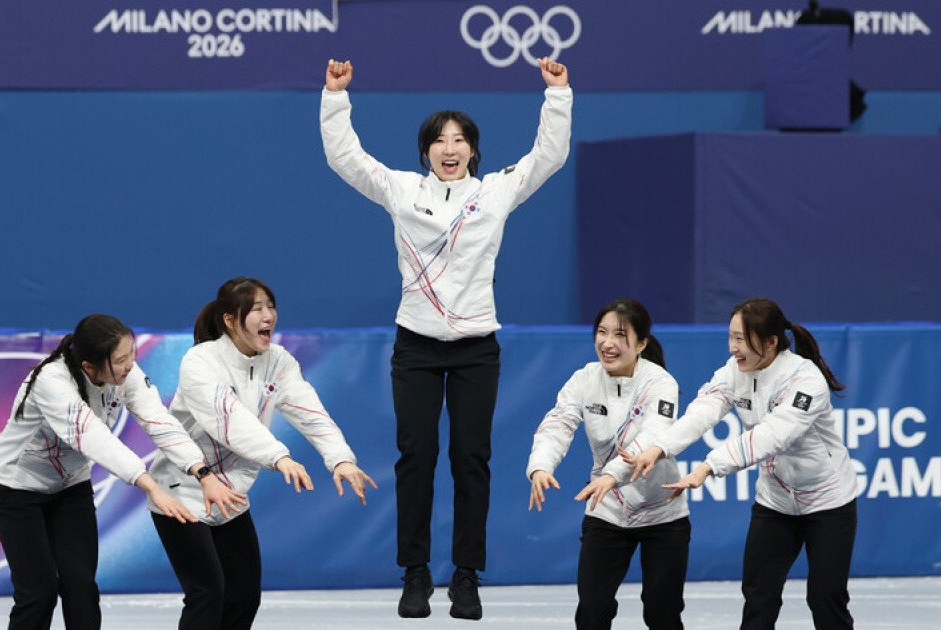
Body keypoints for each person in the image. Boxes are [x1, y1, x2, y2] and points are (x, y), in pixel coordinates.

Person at [321, 55, 572, 620]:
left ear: (474, 150)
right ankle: (415, 575)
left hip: (477, 348)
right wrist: (336, 97)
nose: (450, 147)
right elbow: (345, 158)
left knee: (471, 460)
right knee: (416, 457)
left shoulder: (496, 192)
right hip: (416, 345)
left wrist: (557, 94)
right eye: (439, 139)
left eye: (460, 139)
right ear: (426, 150)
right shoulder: (402, 191)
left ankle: (466, 577)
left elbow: (549, 157)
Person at [0, 313, 243, 629]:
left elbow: (158, 420)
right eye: (120, 360)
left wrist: (202, 472)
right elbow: (94, 438)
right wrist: (150, 486)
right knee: (38, 592)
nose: (130, 365)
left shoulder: (127, 374)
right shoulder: (52, 382)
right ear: (89, 367)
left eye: (132, 354)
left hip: (69, 489)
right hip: (16, 489)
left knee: (81, 587)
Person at [147, 276, 377, 629]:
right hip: (184, 493)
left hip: (233, 497)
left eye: (271, 307)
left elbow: (310, 411)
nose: (268, 315)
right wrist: (279, 457)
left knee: (243, 597)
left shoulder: (278, 360)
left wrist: (340, 458)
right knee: (207, 594)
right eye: (256, 309)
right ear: (229, 319)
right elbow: (230, 420)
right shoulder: (200, 362)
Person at [621, 297, 856, 629]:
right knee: (759, 596)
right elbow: (702, 412)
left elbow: (771, 436)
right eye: (731, 336)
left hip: (828, 501)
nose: (733, 347)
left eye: (743, 339)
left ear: (771, 342)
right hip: (775, 502)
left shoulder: (806, 381)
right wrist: (659, 447)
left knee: (825, 598)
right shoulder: (735, 372)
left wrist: (708, 466)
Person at [527, 298, 689, 630]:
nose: (607, 342)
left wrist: (612, 476)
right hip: (607, 510)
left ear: (641, 343)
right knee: (593, 609)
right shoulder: (585, 379)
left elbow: (650, 439)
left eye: (619, 334)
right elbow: (558, 423)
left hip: (662, 512)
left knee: (662, 613)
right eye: (602, 332)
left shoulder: (661, 383)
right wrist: (541, 466)